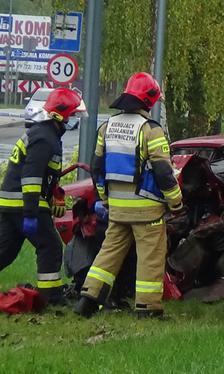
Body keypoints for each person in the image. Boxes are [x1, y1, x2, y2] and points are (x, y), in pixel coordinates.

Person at [74, 72, 184, 318]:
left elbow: (97, 168)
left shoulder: (107, 127)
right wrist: (176, 202)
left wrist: (105, 199)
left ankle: (88, 300)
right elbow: (164, 172)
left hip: (118, 209)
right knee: (151, 257)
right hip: (147, 210)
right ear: (150, 100)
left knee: (109, 253)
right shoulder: (151, 131)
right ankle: (147, 309)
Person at [0, 88, 85, 305]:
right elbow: (31, 177)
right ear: (59, 116)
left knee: (5, 251)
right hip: (24, 203)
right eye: (72, 115)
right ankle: (52, 297)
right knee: (50, 246)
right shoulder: (45, 138)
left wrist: (55, 194)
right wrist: (30, 213)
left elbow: (45, 174)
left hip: (11, 202)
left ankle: (51, 295)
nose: (73, 119)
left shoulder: (44, 133)